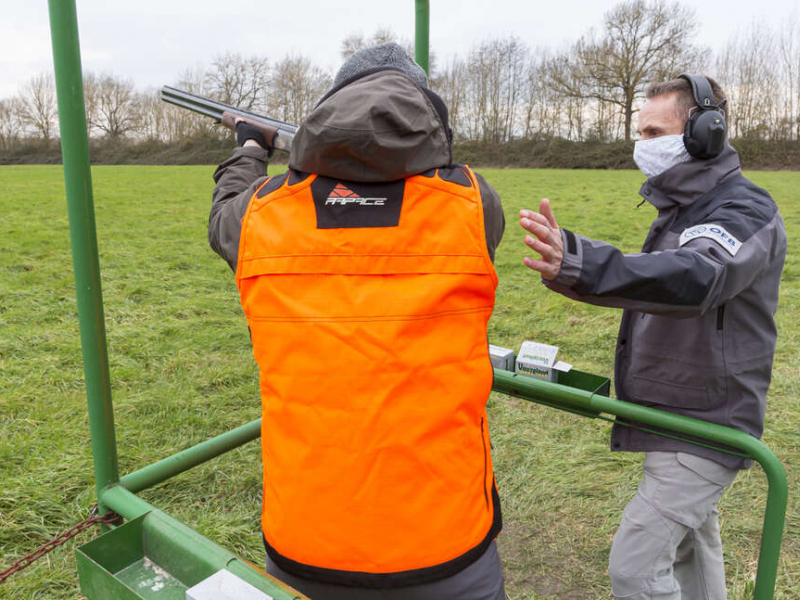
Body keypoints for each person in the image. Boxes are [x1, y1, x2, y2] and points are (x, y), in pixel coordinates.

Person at [209, 43, 506, 600]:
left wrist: (251, 148)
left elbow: (221, 217)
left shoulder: (257, 213)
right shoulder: (473, 202)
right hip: (448, 541)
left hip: (305, 540)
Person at [519, 74, 786, 600]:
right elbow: (655, 282)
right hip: (676, 411)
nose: (642, 146)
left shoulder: (744, 210)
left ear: (704, 132)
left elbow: (693, 276)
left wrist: (581, 261)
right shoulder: (682, 210)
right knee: (692, 549)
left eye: (654, 131)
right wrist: (571, 267)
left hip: (707, 423)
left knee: (635, 569)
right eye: (639, 133)